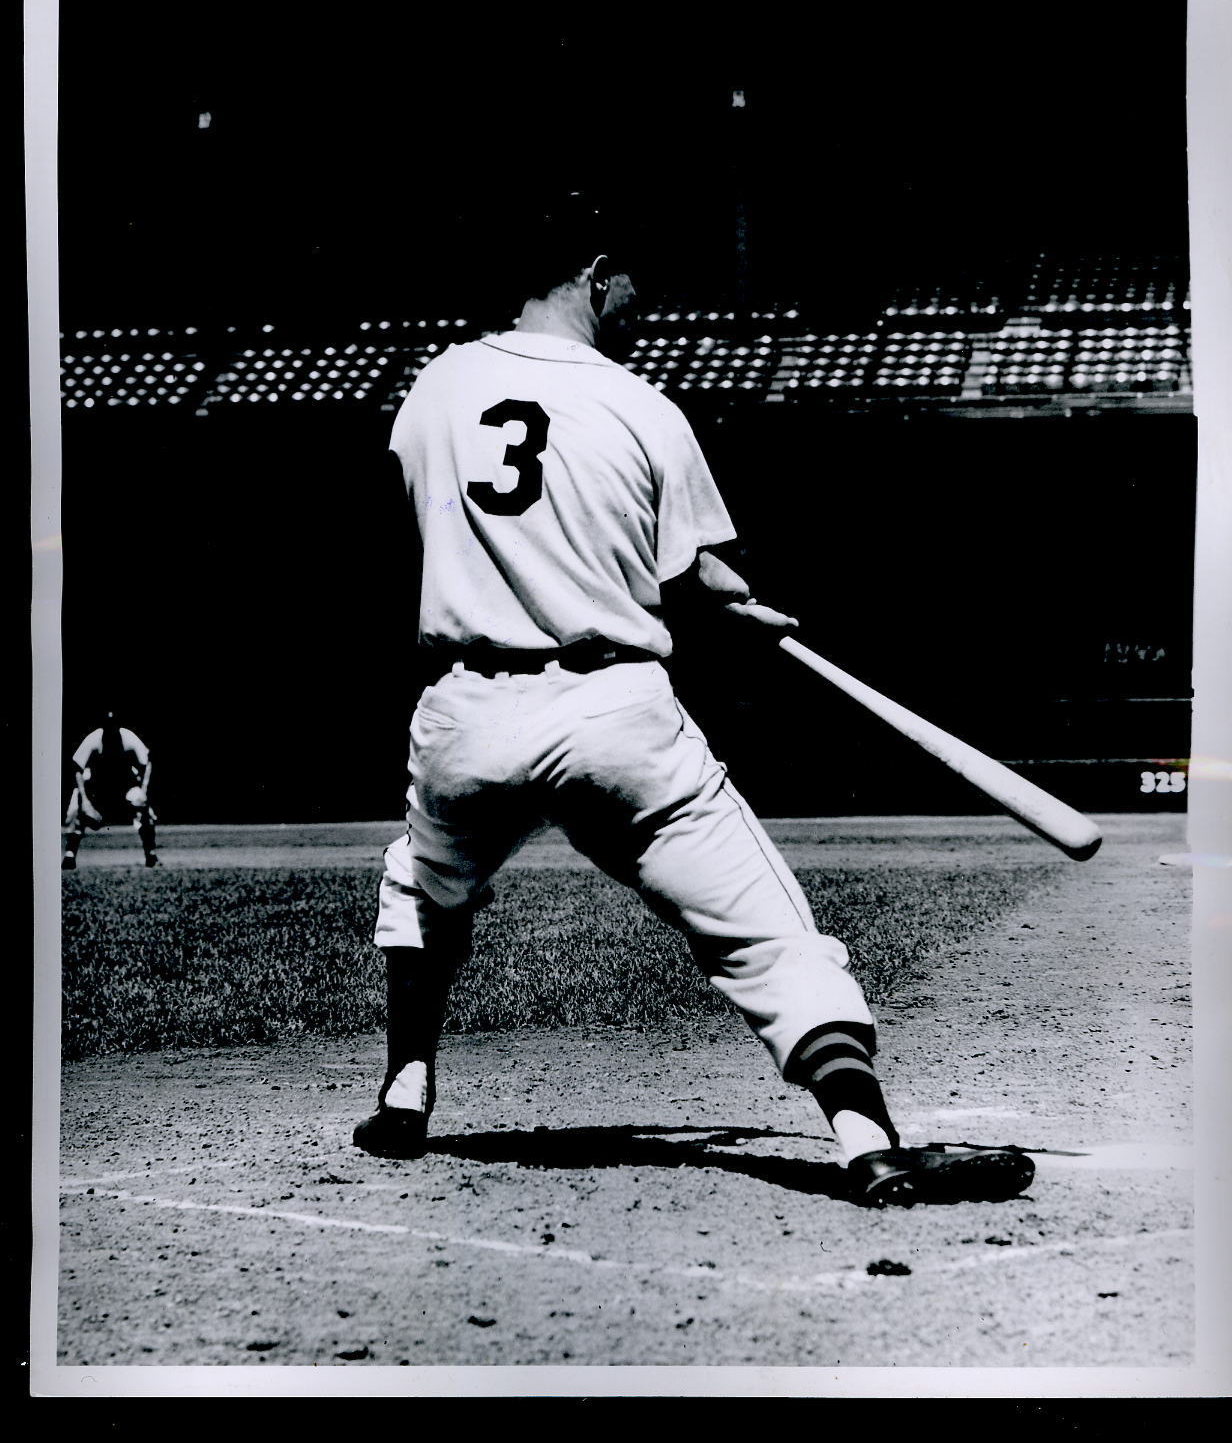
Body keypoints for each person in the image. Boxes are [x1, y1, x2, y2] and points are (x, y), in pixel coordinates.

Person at [352, 197, 1035, 1206]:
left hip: (464, 713)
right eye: (632, 283)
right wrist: (738, 604)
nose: (643, 304)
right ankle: (867, 1138)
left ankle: (406, 1090)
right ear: (594, 273)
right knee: (764, 926)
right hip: (609, 709)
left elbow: (435, 508)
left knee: (422, 880)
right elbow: (701, 574)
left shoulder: (438, 384)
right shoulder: (642, 407)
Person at [62, 711, 159, 869]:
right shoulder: (94, 739)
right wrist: (85, 801)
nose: (111, 729)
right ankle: (70, 854)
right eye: (108, 726)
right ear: (103, 727)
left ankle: (151, 853)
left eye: (114, 726)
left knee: (144, 807)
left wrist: (144, 791)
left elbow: (146, 763)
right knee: (75, 805)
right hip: (97, 791)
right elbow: (77, 768)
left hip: (124, 788)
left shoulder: (128, 738)